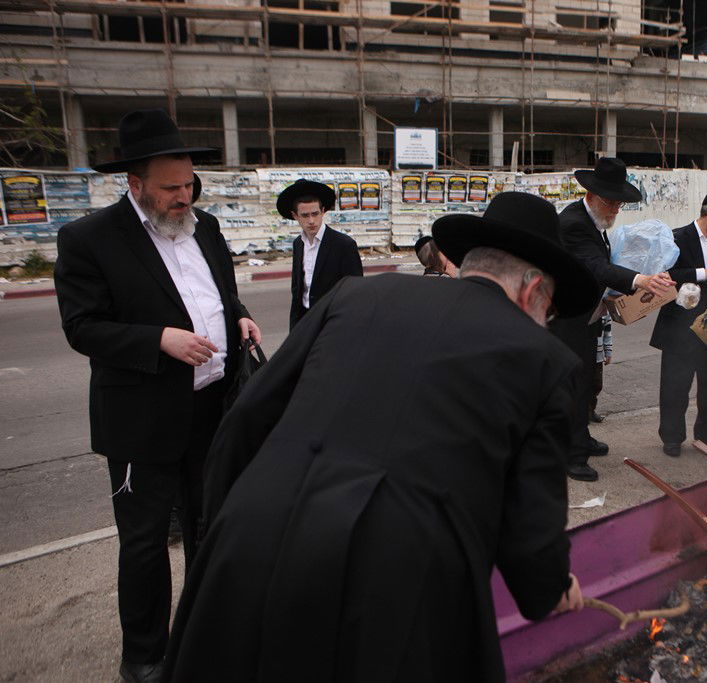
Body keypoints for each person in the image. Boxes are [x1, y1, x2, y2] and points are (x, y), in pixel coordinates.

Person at [164, 192, 593, 683]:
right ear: (532, 290)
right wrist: (551, 587)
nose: (547, 324)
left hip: (249, 539)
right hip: (394, 587)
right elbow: (530, 526)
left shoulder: (355, 293)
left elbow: (245, 420)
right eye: (551, 311)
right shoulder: (545, 359)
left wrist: (225, 526)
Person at [53, 109, 261, 683]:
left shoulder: (208, 228)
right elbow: (82, 327)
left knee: (207, 529)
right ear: (135, 184)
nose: (183, 196)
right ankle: (144, 656)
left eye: (189, 184)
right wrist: (158, 340)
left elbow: (220, 294)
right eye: (170, 187)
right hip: (141, 421)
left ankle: (204, 635)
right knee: (145, 546)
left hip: (210, 407)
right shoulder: (88, 239)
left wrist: (239, 318)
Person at [550, 157, 674, 481]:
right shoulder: (574, 223)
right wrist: (639, 280)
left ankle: (582, 438)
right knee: (573, 387)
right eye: (612, 202)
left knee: (588, 380)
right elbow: (595, 266)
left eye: (620, 203)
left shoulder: (596, 222)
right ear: (592, 195)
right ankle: (571, 455)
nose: (616, 209)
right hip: (569, 318)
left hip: (588, 316)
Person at [650, 189, 707, 457]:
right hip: (681, 326)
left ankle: (706, 435)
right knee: (675, 385)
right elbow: (662, 273)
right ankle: (672, 437)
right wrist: (703, 274)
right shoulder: (677, 238)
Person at [283, 179, 363, 330]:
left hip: (333, 323)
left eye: (315, 214)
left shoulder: (343, 245)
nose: (311, 221)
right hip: (305, 321)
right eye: (305, 215)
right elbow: (298, 290)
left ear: (323, 211)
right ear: (295, 216)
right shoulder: (298, 244)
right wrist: (294, 331)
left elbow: (356, 292)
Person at [590, 312, 613, 423]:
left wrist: (608, 351)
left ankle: (590, 411)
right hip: (582, 354)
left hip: (598, 356)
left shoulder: (604, 312)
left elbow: (607, 331)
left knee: (596, 384)